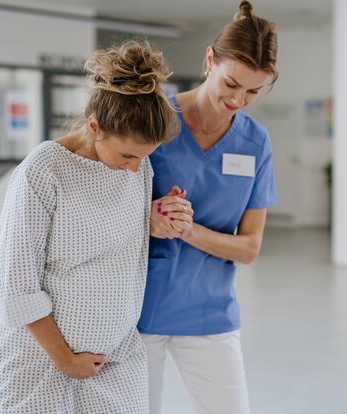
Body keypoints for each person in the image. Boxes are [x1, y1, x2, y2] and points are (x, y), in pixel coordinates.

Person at [0, 40, 178, 414]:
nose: (135, 168)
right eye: (127, 155)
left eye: (144, 158)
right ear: (94, 125)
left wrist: (157, 217)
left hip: (116, 361)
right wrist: (67, 360)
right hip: (38, 365)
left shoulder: (137, 170)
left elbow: (118, 242)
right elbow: (14, 283)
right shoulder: (43, 171)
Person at [137, 2, 278, 413]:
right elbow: (104, 206)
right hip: (134, 311)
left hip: (208, 312)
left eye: (253, 91)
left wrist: (188, 229)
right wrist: (147, 217)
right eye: (231, 83)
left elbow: (250, 247)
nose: (238, 99)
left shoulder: (256, 143)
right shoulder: (154, 118)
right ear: (210, 60)